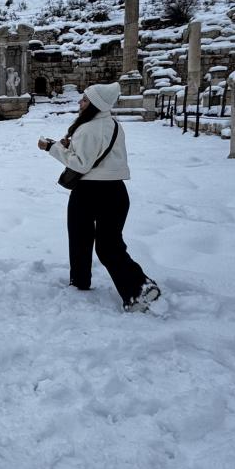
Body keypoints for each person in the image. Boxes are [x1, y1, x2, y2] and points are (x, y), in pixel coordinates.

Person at [38, 83, 161, 312]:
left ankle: (85, 283)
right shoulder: (113, 125)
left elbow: (80, 163)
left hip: (89, 191)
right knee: (110, 244)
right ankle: (140, 284)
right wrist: (71, 146)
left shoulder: (88, 128)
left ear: (95, 104)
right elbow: (99, 155)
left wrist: (52, 147)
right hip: (116, 191)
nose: (79, 102)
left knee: (80, 238)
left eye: (84, 99)